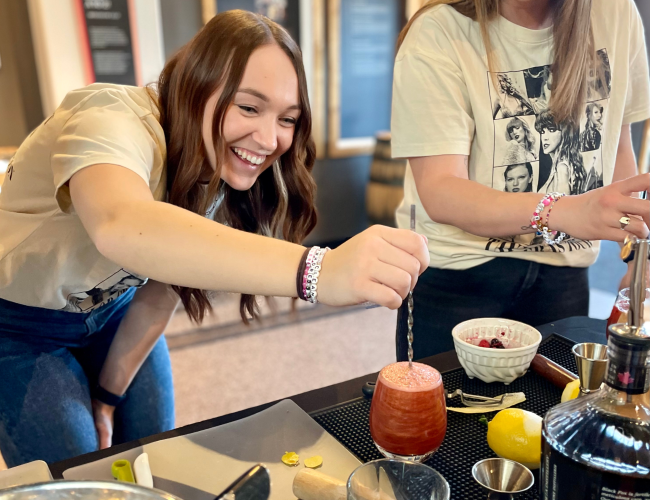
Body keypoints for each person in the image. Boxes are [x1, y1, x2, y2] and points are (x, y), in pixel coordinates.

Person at [0, 11, 429, 467]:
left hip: (114, 310)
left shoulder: (210, 164)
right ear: (195, 83)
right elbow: (121, 223)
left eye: (287, 118)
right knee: (79, 478)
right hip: (18, 326)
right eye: (248, 107)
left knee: (155, 458)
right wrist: (318, 270)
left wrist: (107, 397)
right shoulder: (107, 114)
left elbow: (161, 283)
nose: (268, 139)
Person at [391, 0, 650, 360]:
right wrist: (559, 210)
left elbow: (617, 146)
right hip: (457, 275)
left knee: (555, 407)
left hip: (564, 267)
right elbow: (441, 190)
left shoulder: (615, 14)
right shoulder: (438, 31)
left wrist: (639, 260)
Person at [535, 109, 587, 194]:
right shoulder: (559, 164)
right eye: (542, 132)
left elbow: (563, 203)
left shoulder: (562, 167)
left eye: (551, 130)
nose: (545, 137)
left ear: (564, 133)